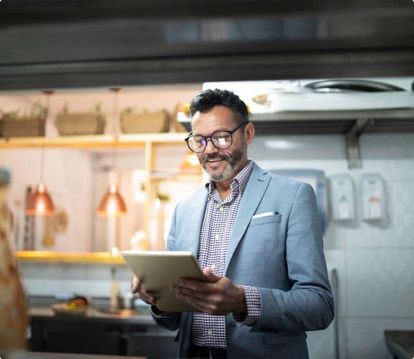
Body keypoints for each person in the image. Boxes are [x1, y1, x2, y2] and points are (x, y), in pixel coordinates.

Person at [132, 89, 334, 359]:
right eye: (200, 141)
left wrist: (242, 301)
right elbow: (172, 320)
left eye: (222, 137)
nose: (211, 150)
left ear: (248, 133)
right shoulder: (184, 210)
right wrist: (158, 300)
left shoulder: (293, 196)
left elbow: (319, 306)